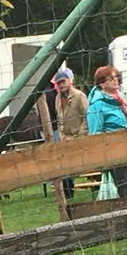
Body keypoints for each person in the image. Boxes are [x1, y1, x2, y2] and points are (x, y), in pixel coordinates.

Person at [87, 64, 127, 197]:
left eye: (116, 76)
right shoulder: (97, 104)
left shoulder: (121, 99)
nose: (116, 80)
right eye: (110, 78)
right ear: (102, 84)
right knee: (122, 189)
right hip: (114, 152)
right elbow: (95, 133)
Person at [53, 67, 87, 198]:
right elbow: (59, 119)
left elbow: (87, 116)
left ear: (69, 81)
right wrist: (62, 136)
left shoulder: (79, 96)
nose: (61, 85)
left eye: (63, 81)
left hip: (79, 137)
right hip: (65, 138)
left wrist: (81, 135)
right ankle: (68, 194)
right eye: (59, 83)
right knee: (65, 167)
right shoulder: (57, 98)